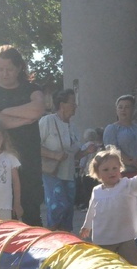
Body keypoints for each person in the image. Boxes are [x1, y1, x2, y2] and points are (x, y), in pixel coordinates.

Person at [0, 45, 45, 226]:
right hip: (0, 160)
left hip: (28, 158)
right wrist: (24, 119)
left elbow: (38, 109)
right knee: (4, 214)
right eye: (0, 69)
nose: (4, 73)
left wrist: (6, 111)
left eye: (9, 69)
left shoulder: (32, 88)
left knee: (31, 210)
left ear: (19, 68)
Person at [80, 146, 137, 266]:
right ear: (97, 174)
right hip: (103, 236)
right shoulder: (97, 191)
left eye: (115, 168)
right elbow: (92, 209)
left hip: (124, 235)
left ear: (120, 169)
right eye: (106, 170)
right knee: (104, 265)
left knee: (132, 264)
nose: (111, 172)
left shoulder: (127, 186)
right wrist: (87, 225)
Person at [103, 94, 137, 248]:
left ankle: (135, 248)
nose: (123, 110)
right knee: (122, 213)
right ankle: (119, 248)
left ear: (133, 109)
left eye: (127, 107)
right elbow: (111, 149)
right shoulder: (112, 129)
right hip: (122, 175)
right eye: (120, 107)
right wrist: (130, 161)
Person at [39, 88, 96, 231]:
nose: (75, 106)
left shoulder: (73, 128)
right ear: (62, 104)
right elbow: (33, 147)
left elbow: (74, 156)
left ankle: (65, 242)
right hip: (52, 173)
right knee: (59, 205)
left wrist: (85, 152)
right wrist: (54, 155)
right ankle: (48, 236)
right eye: (72, 102)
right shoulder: (48, 121)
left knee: (68, 211)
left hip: (69, 174)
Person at [76, 128, 102, 209]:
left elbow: (83, 158)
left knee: (86, 189)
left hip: (87, 170)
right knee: (93, 188)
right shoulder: (97, 146)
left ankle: (88, 205)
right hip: (95, 169)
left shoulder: (86, 146)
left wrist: (81, 167)